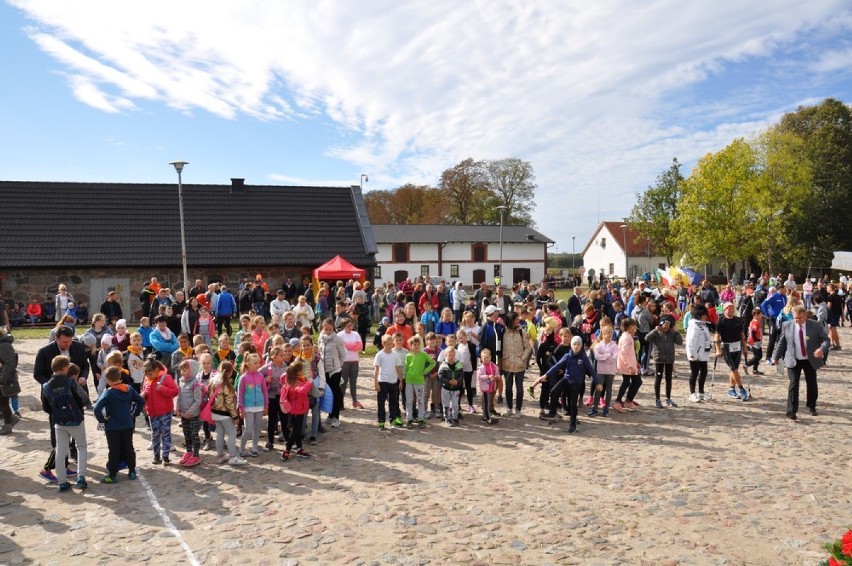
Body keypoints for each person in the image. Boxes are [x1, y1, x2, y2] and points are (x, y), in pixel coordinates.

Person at [771, 305, 830, 420]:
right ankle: (791, 410)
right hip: (793, 359)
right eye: (796, 318)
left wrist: (821, 349)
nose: (798, 321)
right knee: (793, 383)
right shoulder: (787, 325)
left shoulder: (815, 325)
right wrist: (776, 357)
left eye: (801, 318)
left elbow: (826, 340)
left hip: (810, 359)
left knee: (812, 382)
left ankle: (811, 405)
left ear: (805, 316)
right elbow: (782, 342)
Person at [40, 355, 90, 491]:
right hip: (75, 420)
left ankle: (62, 482)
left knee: (60, 451)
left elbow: (46, 407)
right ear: (64, 368)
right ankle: (81, 478)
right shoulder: (71, 382)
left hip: (59, 422)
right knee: (81, 447)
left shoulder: (46, 386)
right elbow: (83, 398)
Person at [93, 366, 145, 484]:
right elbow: (140, 400)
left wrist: (103, 420)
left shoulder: (108, 393)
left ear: (108, 380)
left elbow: (97, 408)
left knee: (114, 450)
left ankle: (113, 474)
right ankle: (132, 471)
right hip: (128, 424)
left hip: (113, 427)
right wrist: (134, 414)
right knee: (129, 447)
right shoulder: (129, 389)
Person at [542, 336, 601, 434]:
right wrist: (546, 375)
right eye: (574, 344)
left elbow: (591, 370)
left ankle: (573, 425)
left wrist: (598, 383)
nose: (576, 346)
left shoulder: (583, 358)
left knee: (573, 404)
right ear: (571, 345)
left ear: (581, 345)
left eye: (578, 344)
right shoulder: (567, 356)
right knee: (553, 391)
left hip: (576, 384)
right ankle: (553, 412)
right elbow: (557, 366)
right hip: (566, 379)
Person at [140, 358, 179, 466]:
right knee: (155, 435)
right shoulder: (147, 380)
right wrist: (143, 396)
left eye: (150, 373)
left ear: (157, 370)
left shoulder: (166, 378)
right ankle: (156, 456)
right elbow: (144, 391)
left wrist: (163, 389)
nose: (148, 376)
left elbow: (175, 391)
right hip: (152, 413)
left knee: (166, 434)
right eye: (146, 374)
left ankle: (165, 456)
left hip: (165, 412)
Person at [645, 315, 683, 408]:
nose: (666, 328)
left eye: (668, 326)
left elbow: (680, 342)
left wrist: (677, 333)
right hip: (659, 359)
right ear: (661, 325)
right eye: (664, 326)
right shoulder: (657, 333)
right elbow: (646, 338)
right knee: (658, 379)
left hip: (669, 359)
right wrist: (654, 330)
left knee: (668, 379)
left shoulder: (672, 333)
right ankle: (657, 399)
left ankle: (668, 398)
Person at [714, 302, 749, 401]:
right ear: (724, 310)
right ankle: (741, 389)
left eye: (732, 308)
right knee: (733, 368)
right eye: (728, 308)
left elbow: (742, 335)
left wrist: (745, 348)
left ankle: (731, 389)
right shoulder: (721, 320)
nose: (731, 309)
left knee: (734, 369)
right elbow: (717, 335)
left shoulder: (738, 319)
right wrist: (717, 349)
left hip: (737, 347)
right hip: (726, 347)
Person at [279, 361, 313, 461]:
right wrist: (309, 382)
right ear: (298, 372)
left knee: (297, 431)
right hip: (296, 411)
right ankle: (287, 450)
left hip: (300, 409)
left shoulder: (294, 380)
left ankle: (299, 448)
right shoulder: (293, 384)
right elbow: (302, 391)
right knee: (296, 432)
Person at [237, 352, 268, 458]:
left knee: (257, 428)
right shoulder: (243, 378)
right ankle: (241, 449)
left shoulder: (260, 376)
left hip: (259, 406)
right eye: (255, 363)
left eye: (258, 363)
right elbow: (240, 394)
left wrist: (265, 405)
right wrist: (241, 408)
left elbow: (264, 391)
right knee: (248, 429)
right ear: (248, 364)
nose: (258, 365)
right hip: (248, 407)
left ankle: (254, 448)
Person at [500, 312, 531, 417]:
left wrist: (522, 358)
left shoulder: (522, 332)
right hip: (507, 364)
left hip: (519, 365)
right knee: (508, 388)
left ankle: (518, 409)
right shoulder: (503, 332)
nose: (518, 320)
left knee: (519, 388)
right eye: (516, 319)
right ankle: (509, 408)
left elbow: (528, 347)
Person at [318, 318, 347, 428]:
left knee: (335, 392)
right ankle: (330, 415)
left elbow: (343, 355)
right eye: (326, 329)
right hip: (323, 369)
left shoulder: (337, 339)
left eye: (330, 329)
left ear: (333, 328)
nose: (328, 331)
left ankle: (336, 417)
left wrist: (337, 365)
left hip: (334, 370)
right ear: (323, 328)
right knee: (328, 393)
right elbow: (320, 352)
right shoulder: (321, 337)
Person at [176, 359, 204, 467]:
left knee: (194, 434)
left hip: (192, 414)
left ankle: (196, 455)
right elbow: (179, 396)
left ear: (191, 370)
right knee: (186, 434)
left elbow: (198, 400)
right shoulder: (181, 381)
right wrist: (177, 408)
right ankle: (188, 451)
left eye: (185, 370)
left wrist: (190, 411)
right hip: (184, 414)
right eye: (181, 370)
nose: (182, 372)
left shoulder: (195, 383)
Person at [403, 336, 436, 427]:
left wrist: (425, 371)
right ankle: (409, 418)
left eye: (418, 344)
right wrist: (405, 379)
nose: (416, 346)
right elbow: (406, 368)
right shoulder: (408, 355)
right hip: (409, 380)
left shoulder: (423, 354)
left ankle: (421, 418)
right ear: (410, 346)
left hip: (419, 381)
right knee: (409, 400)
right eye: (414, 345)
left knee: (420, 400)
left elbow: (433, 363)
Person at [374, 334, 403, 429]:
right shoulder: (380, 355)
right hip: (383, 381)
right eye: (388, 344)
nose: (390, 346)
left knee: (393, 402)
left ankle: (393, 418)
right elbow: (376, 369)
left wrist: (401, 380)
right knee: (381, 402)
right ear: (383, 344)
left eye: (391, 344)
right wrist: (376, 383)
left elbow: (398, 367)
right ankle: (381, 420)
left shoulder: (395, 355)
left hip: (393, 381)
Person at [613, 318, 641, 413]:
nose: (635, 327)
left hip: (629, 363)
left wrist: (635, 362)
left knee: (630, 382)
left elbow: (630, 352)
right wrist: (630, 365)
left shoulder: (628, 336)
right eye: (633, 325)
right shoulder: (626, 337)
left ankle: (627, 400)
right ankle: (621, 401)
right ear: (629, 327)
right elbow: (624, 353)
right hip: (626, 365)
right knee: (634, 381)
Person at [685, 305, 712, 402]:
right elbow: (691, 341)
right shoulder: (693, 326)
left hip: (703, 353)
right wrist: (692, 354)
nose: (706, 316)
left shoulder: (703, 325)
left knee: (704, 372)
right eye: (704, 315)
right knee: (694, 373)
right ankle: (692, 393)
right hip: (695, 353)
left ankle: (701, 392)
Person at [590, 325, 618, 417]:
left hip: (610, 371)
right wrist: (607, 355)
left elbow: (615, 357)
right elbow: (597, 357)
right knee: (598, 389)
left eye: (611, 333)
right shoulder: (598, 345)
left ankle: (606, 409)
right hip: (601, 370)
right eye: (607, 333)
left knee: (609, 390)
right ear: (603, 334)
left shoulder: (614, 345)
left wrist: (604, 356)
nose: (609, 335)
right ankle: (595, 408)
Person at [338, 319, 363, 409]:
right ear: (344, 326)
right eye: (348, 325)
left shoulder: (355, 334)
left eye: (351, 325)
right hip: (344, 362)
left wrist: (348, 346)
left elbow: (360, 347)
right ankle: (340, 402)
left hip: (354, 361)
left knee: (353, 382)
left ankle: (354, 401)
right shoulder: (340, 335)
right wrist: (353, 346)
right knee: (343, 383)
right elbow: (341, 347)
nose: (350, 327)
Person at [0, 325, 21, 435]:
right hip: (3, 377)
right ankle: (10, 419)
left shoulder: (4, 346)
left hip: (5, 379)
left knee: (3, 401)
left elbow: (8, 364)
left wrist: (1, 380)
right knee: (2, 401)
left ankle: (8, 423)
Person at [438, 346, 464, 426]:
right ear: (445, 356)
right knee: (446, 405)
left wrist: (457, 382)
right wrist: (449, 381)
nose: (451, 357)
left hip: (456, 389)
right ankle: (447, 419)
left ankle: (455, 418)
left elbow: (461, 375)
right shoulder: (443, 365)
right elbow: (440, 376)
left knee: (455, 405)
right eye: (449, 355)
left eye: (453, 355)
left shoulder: (459, 364)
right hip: (446, 388)